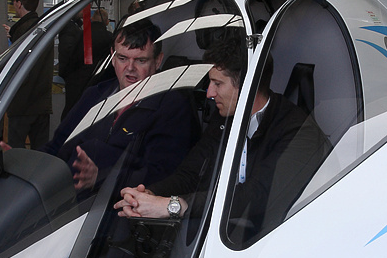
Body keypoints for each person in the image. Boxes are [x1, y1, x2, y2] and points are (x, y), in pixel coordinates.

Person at [115, 36, 329, 246]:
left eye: (217, 83)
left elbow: (254, 198)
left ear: (247, 87)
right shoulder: (225, 117)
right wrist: (150, 194)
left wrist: (174, 206)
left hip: (275, 243)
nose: (209, 93)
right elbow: (190, 173)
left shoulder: (299, 133)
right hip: (221, 235)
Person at [40, 21, 192, 195]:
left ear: (158, 60)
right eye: (122, 58)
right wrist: (29, 167)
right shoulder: (95, 95)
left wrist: (103, 177)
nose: (130, 68)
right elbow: (58, 145)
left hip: (119, 212)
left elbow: (161, 174)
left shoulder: (171, 107)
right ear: (112, 56)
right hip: (70, 203)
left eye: (140, 60)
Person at [4, 0, 52, 148]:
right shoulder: (44, 27)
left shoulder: (22, 32)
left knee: (16, 153)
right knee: (40, 152)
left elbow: (18, 66)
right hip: (42, 103)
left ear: (18, 3)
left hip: (22, 103)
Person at [58, 4, 113, 122]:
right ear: (107, 22)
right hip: (99, 87)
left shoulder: (80, 35)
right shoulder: (110, 39)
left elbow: (71, 60)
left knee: (71, 118)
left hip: (76, 85)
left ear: (92, 19)